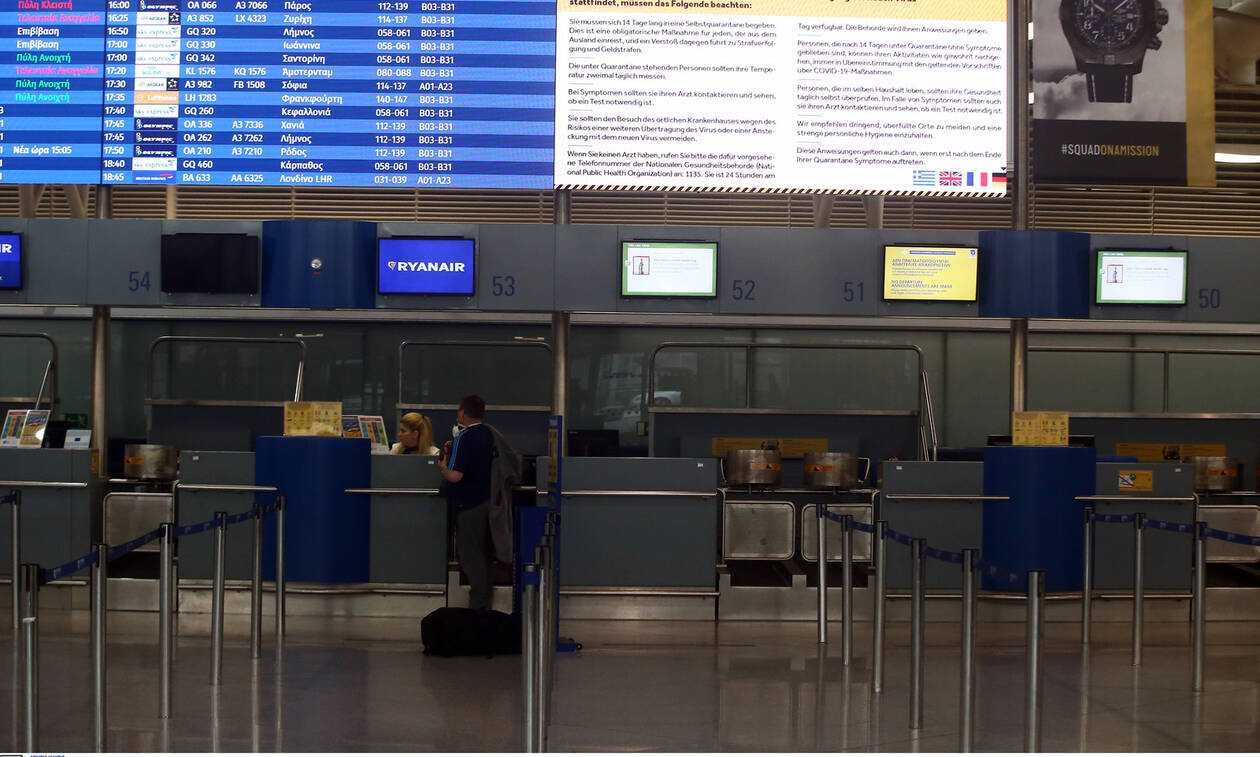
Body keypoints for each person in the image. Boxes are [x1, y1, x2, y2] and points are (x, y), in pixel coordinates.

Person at [437, 395, 496, 610]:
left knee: (470, 554)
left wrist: (443, 468)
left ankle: (478, 603)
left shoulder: (465, 436)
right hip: (485, 501)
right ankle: (485, 599)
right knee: (483, 553)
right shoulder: (488, 434)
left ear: (462, 413)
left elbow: (455, 476)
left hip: (467, 504)